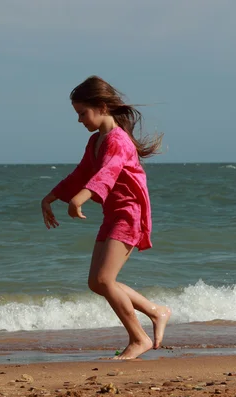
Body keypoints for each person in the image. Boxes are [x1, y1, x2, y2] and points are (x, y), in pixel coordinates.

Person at [41, 75, 172, 360]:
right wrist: (52, 195)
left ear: (101, 107)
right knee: (97, 282)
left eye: (82, 113)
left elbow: (106, 175)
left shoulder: (118, 142)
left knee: (104, 279)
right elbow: (82, 173)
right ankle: (156, 311)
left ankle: (139, 339)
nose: (79, 120)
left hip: (129, 214)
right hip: (113, 214)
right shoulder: (96, 141)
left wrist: (81, 198)